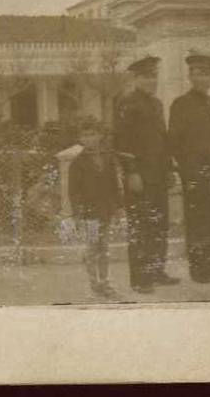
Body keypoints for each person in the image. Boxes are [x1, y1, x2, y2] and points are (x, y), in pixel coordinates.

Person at [114, 55, 181, 294]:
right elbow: (121, 141)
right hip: (139, 177)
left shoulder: (156, 104)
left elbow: (162, 140)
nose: (152, 80)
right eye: (146, 76)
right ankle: (140, 278)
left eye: (154, 75)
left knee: (159, 225)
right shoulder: (126, 103)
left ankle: (156, 270)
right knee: (141, 227)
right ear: (136, 78)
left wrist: (170, 170)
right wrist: (131, 172)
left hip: (158, 175)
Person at [168, 53, 210, 284]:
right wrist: (187, 169)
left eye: (207, 74)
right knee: (198, 221)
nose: (203, 78)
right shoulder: (180, 104)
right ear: (190, 76)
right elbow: (174, 141)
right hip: (194, 172)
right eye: (198, 73)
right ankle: (199, 269)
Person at [68, 118, 123, 298]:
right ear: (80, 139)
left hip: (106, 210)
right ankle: (94, 284)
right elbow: (73, 191)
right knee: (92, 247)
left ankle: (105, 282)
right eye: (85, 135)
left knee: (104, 247)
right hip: (89, 212)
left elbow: (114, 184)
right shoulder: (77, 163)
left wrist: (118, 207)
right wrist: (77, 213)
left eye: (92, 134)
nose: (89, 138)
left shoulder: (108, 158)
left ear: (99, 136)